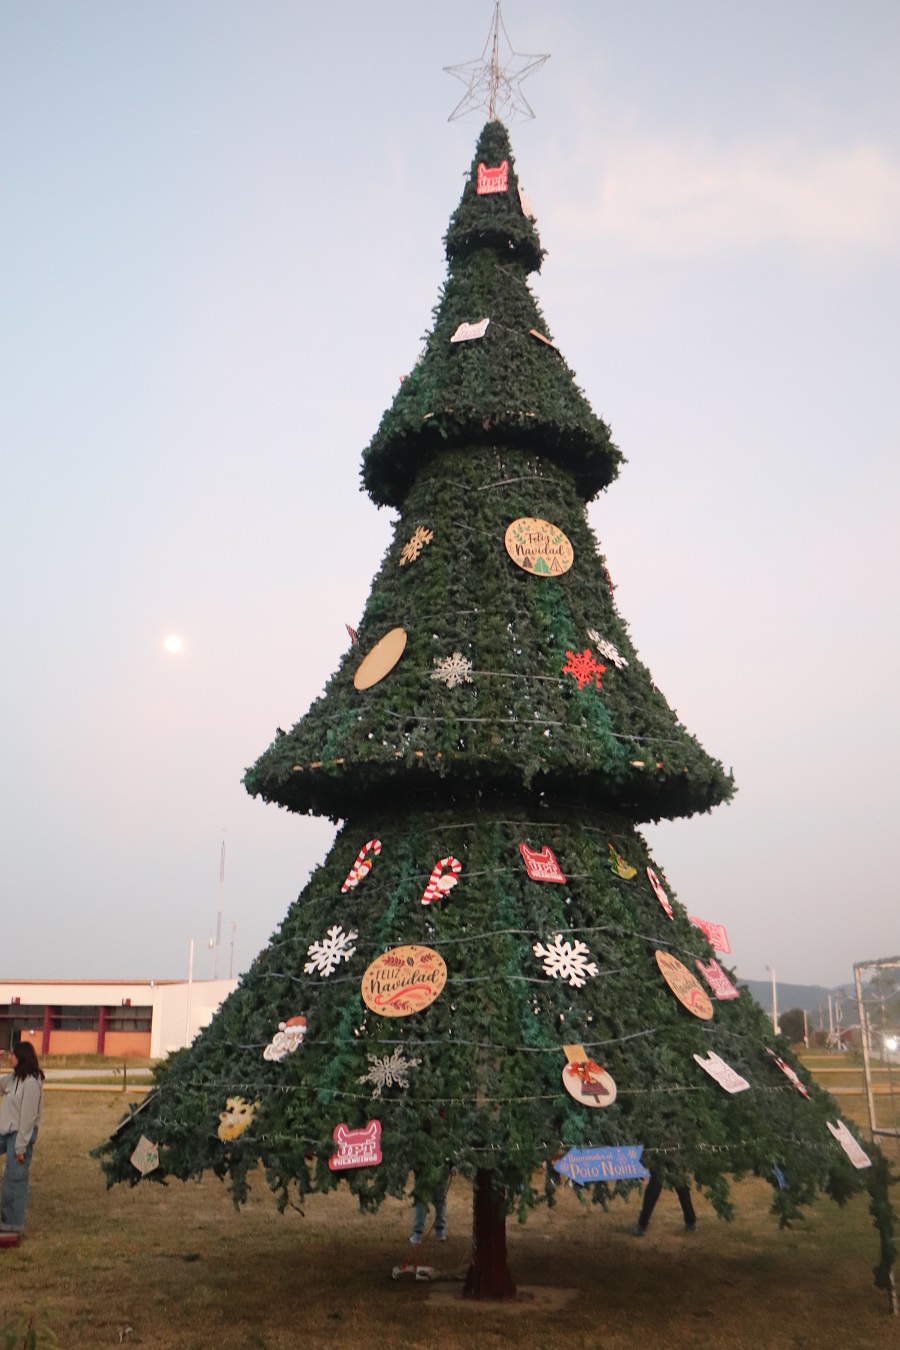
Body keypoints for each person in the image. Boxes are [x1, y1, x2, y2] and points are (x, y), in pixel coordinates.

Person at [0, 1042, 45, 1238]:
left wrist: (20, 1148)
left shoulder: (32, 1083)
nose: (9, 1058)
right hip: (5, 1132)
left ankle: (11, 1226)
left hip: (21, 1136)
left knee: (14, 1178)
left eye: (12, 1055)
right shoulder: (13, 1078)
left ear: (22, 1057)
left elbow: (27, 1119)